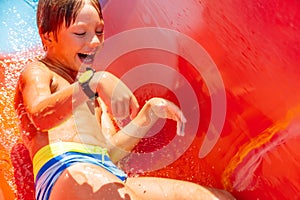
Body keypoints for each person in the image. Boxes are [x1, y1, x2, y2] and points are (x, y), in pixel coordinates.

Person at [14, 0, 235, 199]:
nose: (94, 42)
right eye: (80, 33)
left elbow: (110, 153)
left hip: (107, 173)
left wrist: (146, 116)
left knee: (215, 198)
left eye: (99, 31)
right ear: (48, 36)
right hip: (66, 173)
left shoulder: (93, 96)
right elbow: (40, 117)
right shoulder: (40, 72)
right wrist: (94, 82)